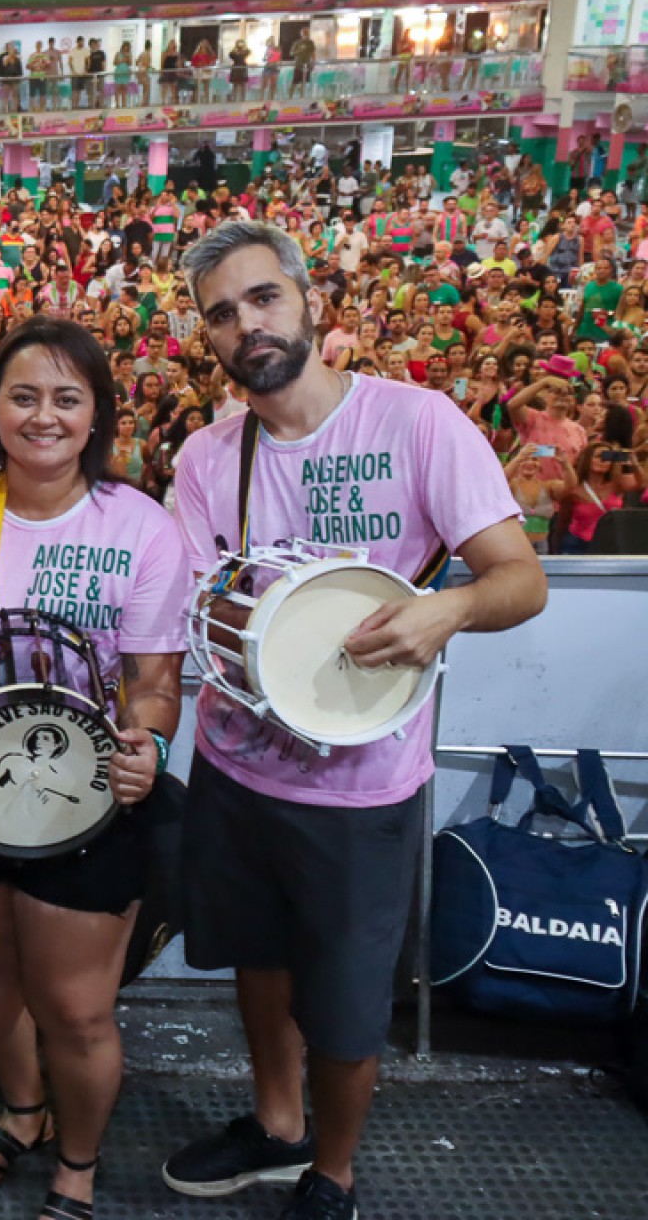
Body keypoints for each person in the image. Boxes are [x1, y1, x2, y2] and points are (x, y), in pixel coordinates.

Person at [166, 222, 546, 1220]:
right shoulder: (210, 455)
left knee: (342, 996)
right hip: (237, 762)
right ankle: (277, 1125)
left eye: (263, 298)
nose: (246, 324)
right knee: (255, 956)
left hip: (362, 782)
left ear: (308, 300)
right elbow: (189, 599)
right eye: (221, 313)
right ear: (205, 337)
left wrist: (450, 605)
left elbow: (521, 577)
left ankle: (332, 1171)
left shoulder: (417, 422)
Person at [0, 318, 188, 1217]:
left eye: (67, 398)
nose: (43, 417)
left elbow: (154, 683)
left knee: (74, 1010)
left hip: (85, 805)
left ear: (98, 413)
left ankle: (78, 1164)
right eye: (23, 396)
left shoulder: (140, 526)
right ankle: (24, 1109)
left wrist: (148, 741)